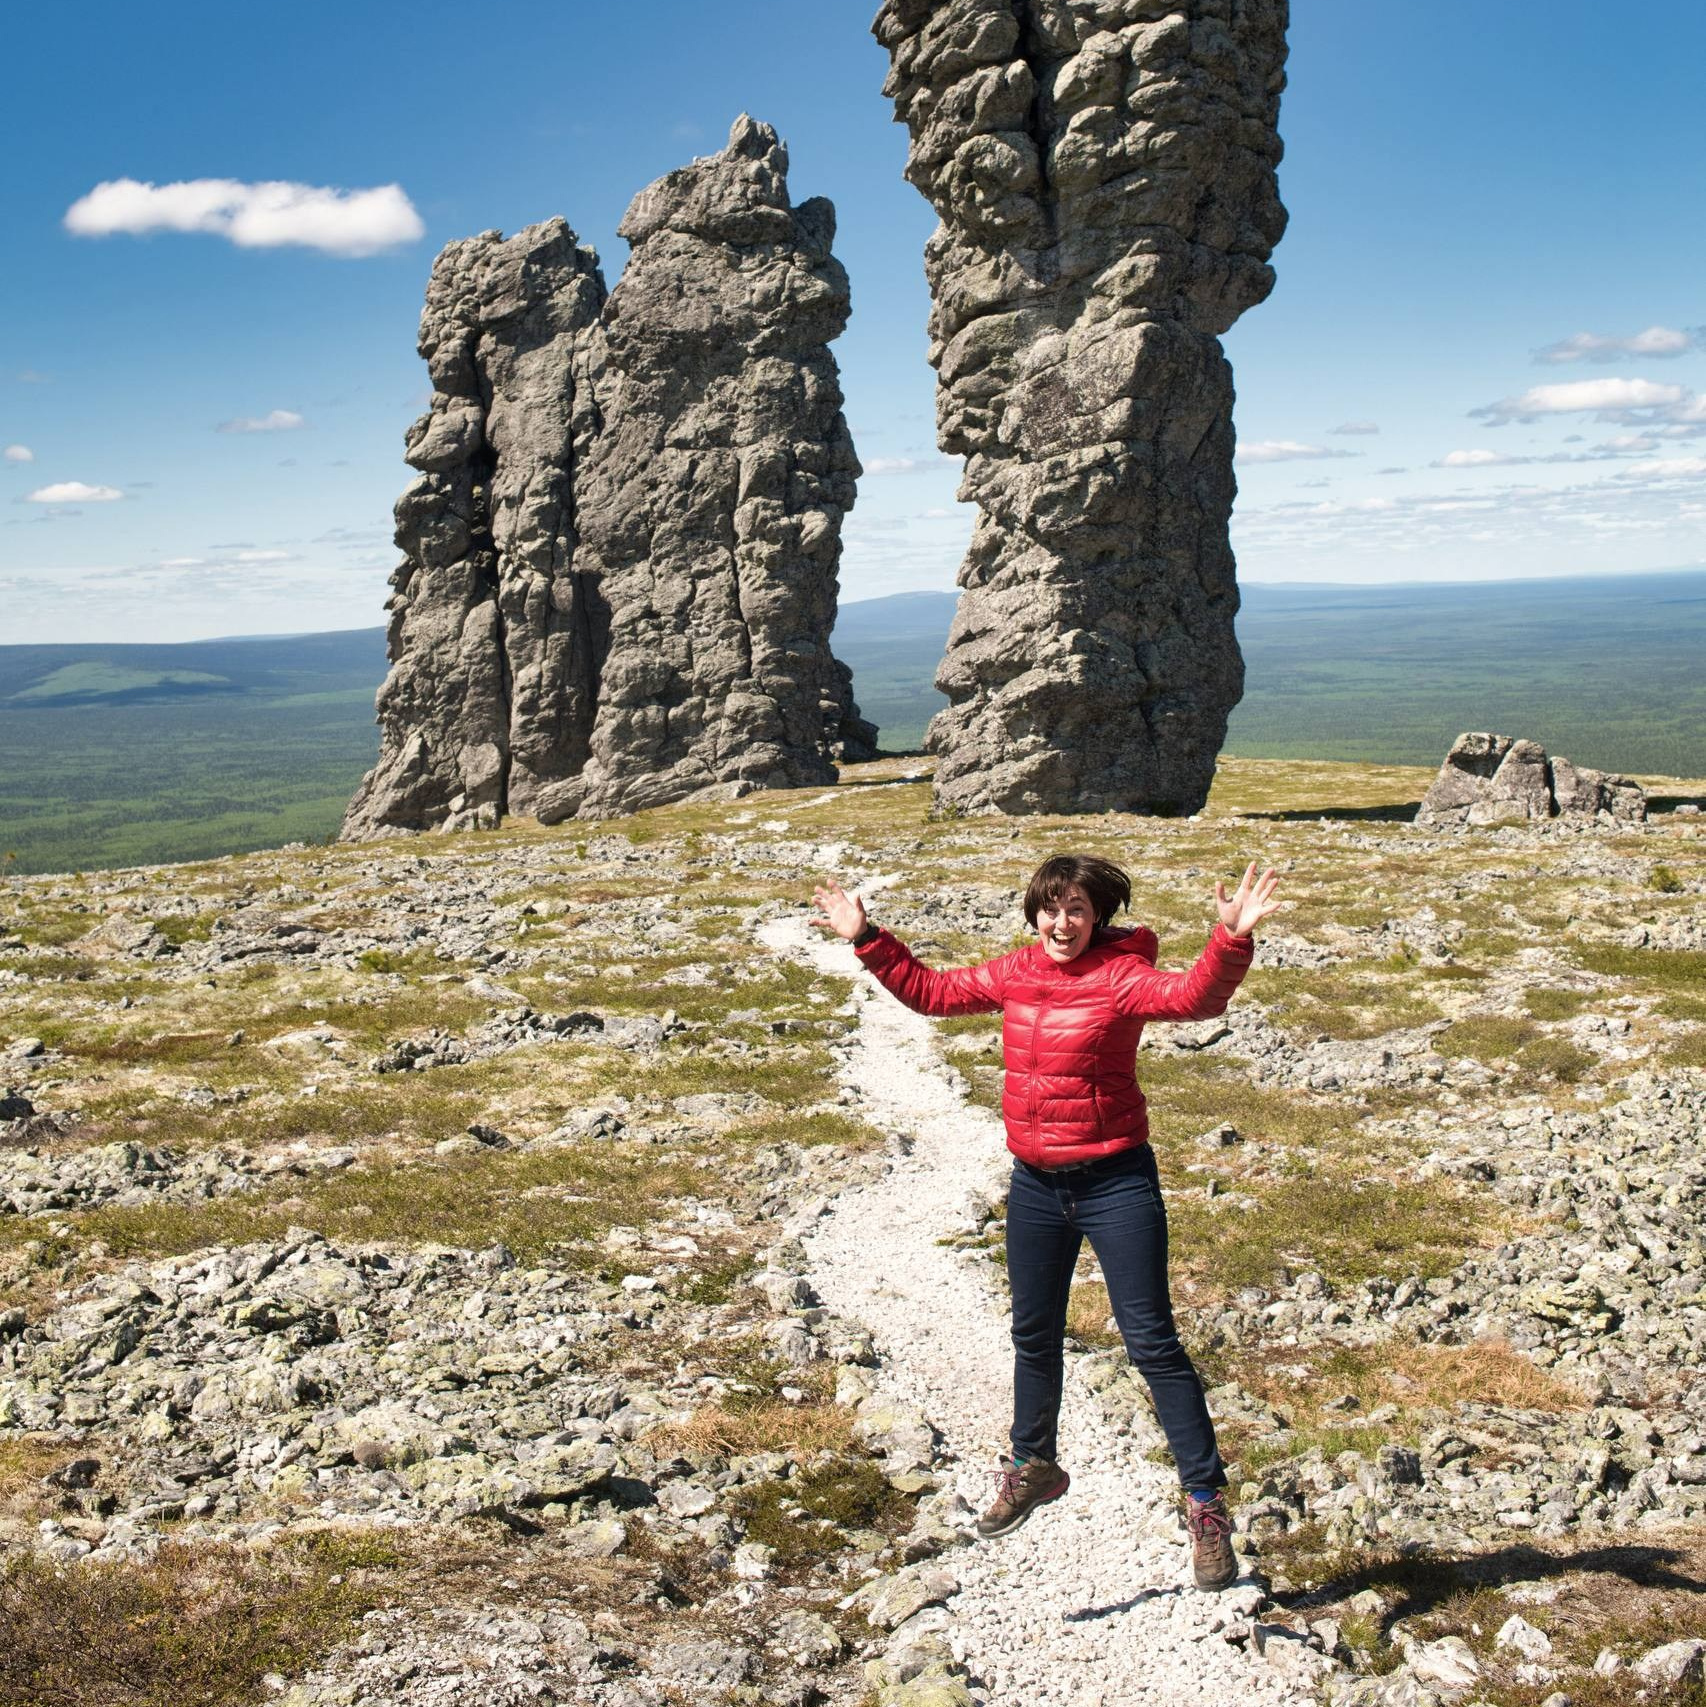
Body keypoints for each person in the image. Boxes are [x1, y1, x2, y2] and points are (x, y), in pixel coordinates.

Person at [812, 853, 1280, 1592]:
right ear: (1034, 914)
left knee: (1151, 1342)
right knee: (1033, 1335)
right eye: (1051, 909)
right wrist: (867, 937)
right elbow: (933, 993)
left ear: (1098, 918)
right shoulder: (1016, 972)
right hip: (1035, 1185)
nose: (1063, 923)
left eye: (1077, 910)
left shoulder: (1121, 977)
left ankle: (1205, 1506)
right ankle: (1034, 1465)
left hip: (1116, 1183)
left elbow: (1195, 998)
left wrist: (1230, 940)